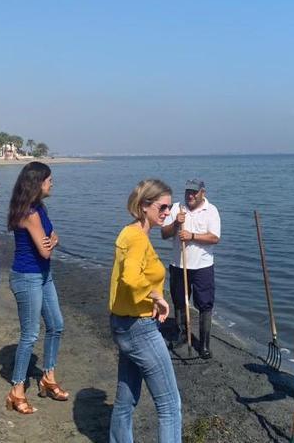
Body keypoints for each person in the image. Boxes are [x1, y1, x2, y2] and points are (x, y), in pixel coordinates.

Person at [108, 179, 182, 443]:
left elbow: (128, 280)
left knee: (125, 399)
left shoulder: (128, 232)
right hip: (140, 329)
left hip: (122, 324)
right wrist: (158, 298)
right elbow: (130, 278)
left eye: (170, 207)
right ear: (144, 206)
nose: (167, 212)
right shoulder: (137, 238)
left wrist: (154, 297)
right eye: (163, 207)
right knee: (170, 405)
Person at [5, 162, 67, 414]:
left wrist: (51, 240)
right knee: (30, 334)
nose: (52, 183)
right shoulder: (29, 213)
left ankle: (48, 378)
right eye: (49, 179)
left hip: (43, 275)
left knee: (56, 325)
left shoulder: (39, 208)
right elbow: (45, 249)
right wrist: (52, 240)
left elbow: (50, 241)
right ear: (38, 182)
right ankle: (16, 390)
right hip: (27, 277)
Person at [161, 179, 221, 359]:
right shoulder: (177, 209)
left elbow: (214, 238)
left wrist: (192, 236)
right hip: (179, 265)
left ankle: (203, 344)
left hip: (203, 267)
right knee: (179, 301)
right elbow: (164, 234)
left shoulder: (211, 210)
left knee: (205, 304)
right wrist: (176, 224)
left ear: (203, 192)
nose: (190, 195)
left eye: (194, 192)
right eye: (188, 192)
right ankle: (181, 335)